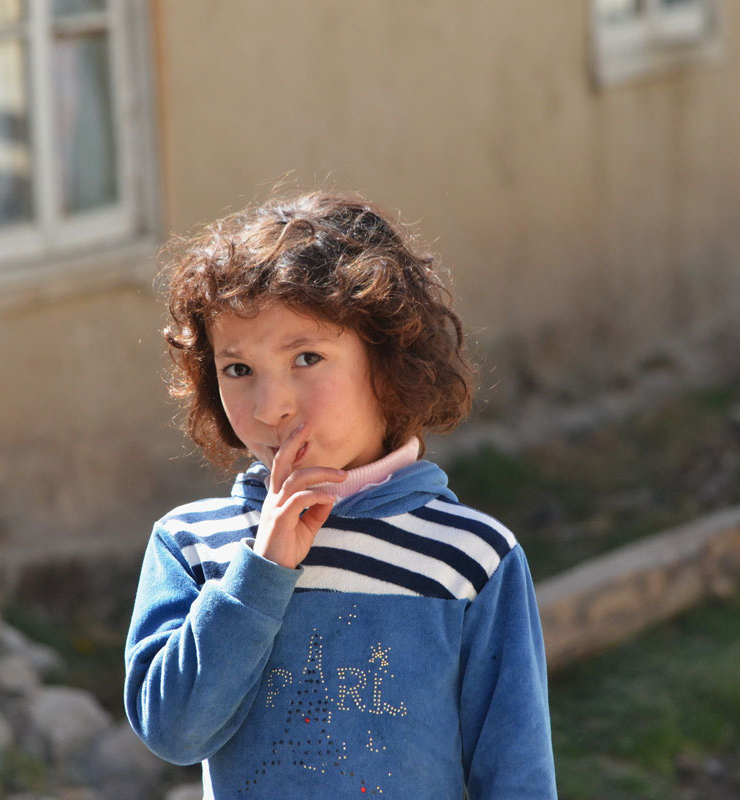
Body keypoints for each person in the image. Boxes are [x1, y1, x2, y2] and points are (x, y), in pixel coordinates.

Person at [125, 190, 557, 798]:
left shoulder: (472, 560)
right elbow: (174, 733)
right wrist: (262, 571)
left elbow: (516, 777)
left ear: (389, 362)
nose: (270, 407)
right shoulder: (194, 548)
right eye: (237, 369)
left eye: (306, 357)